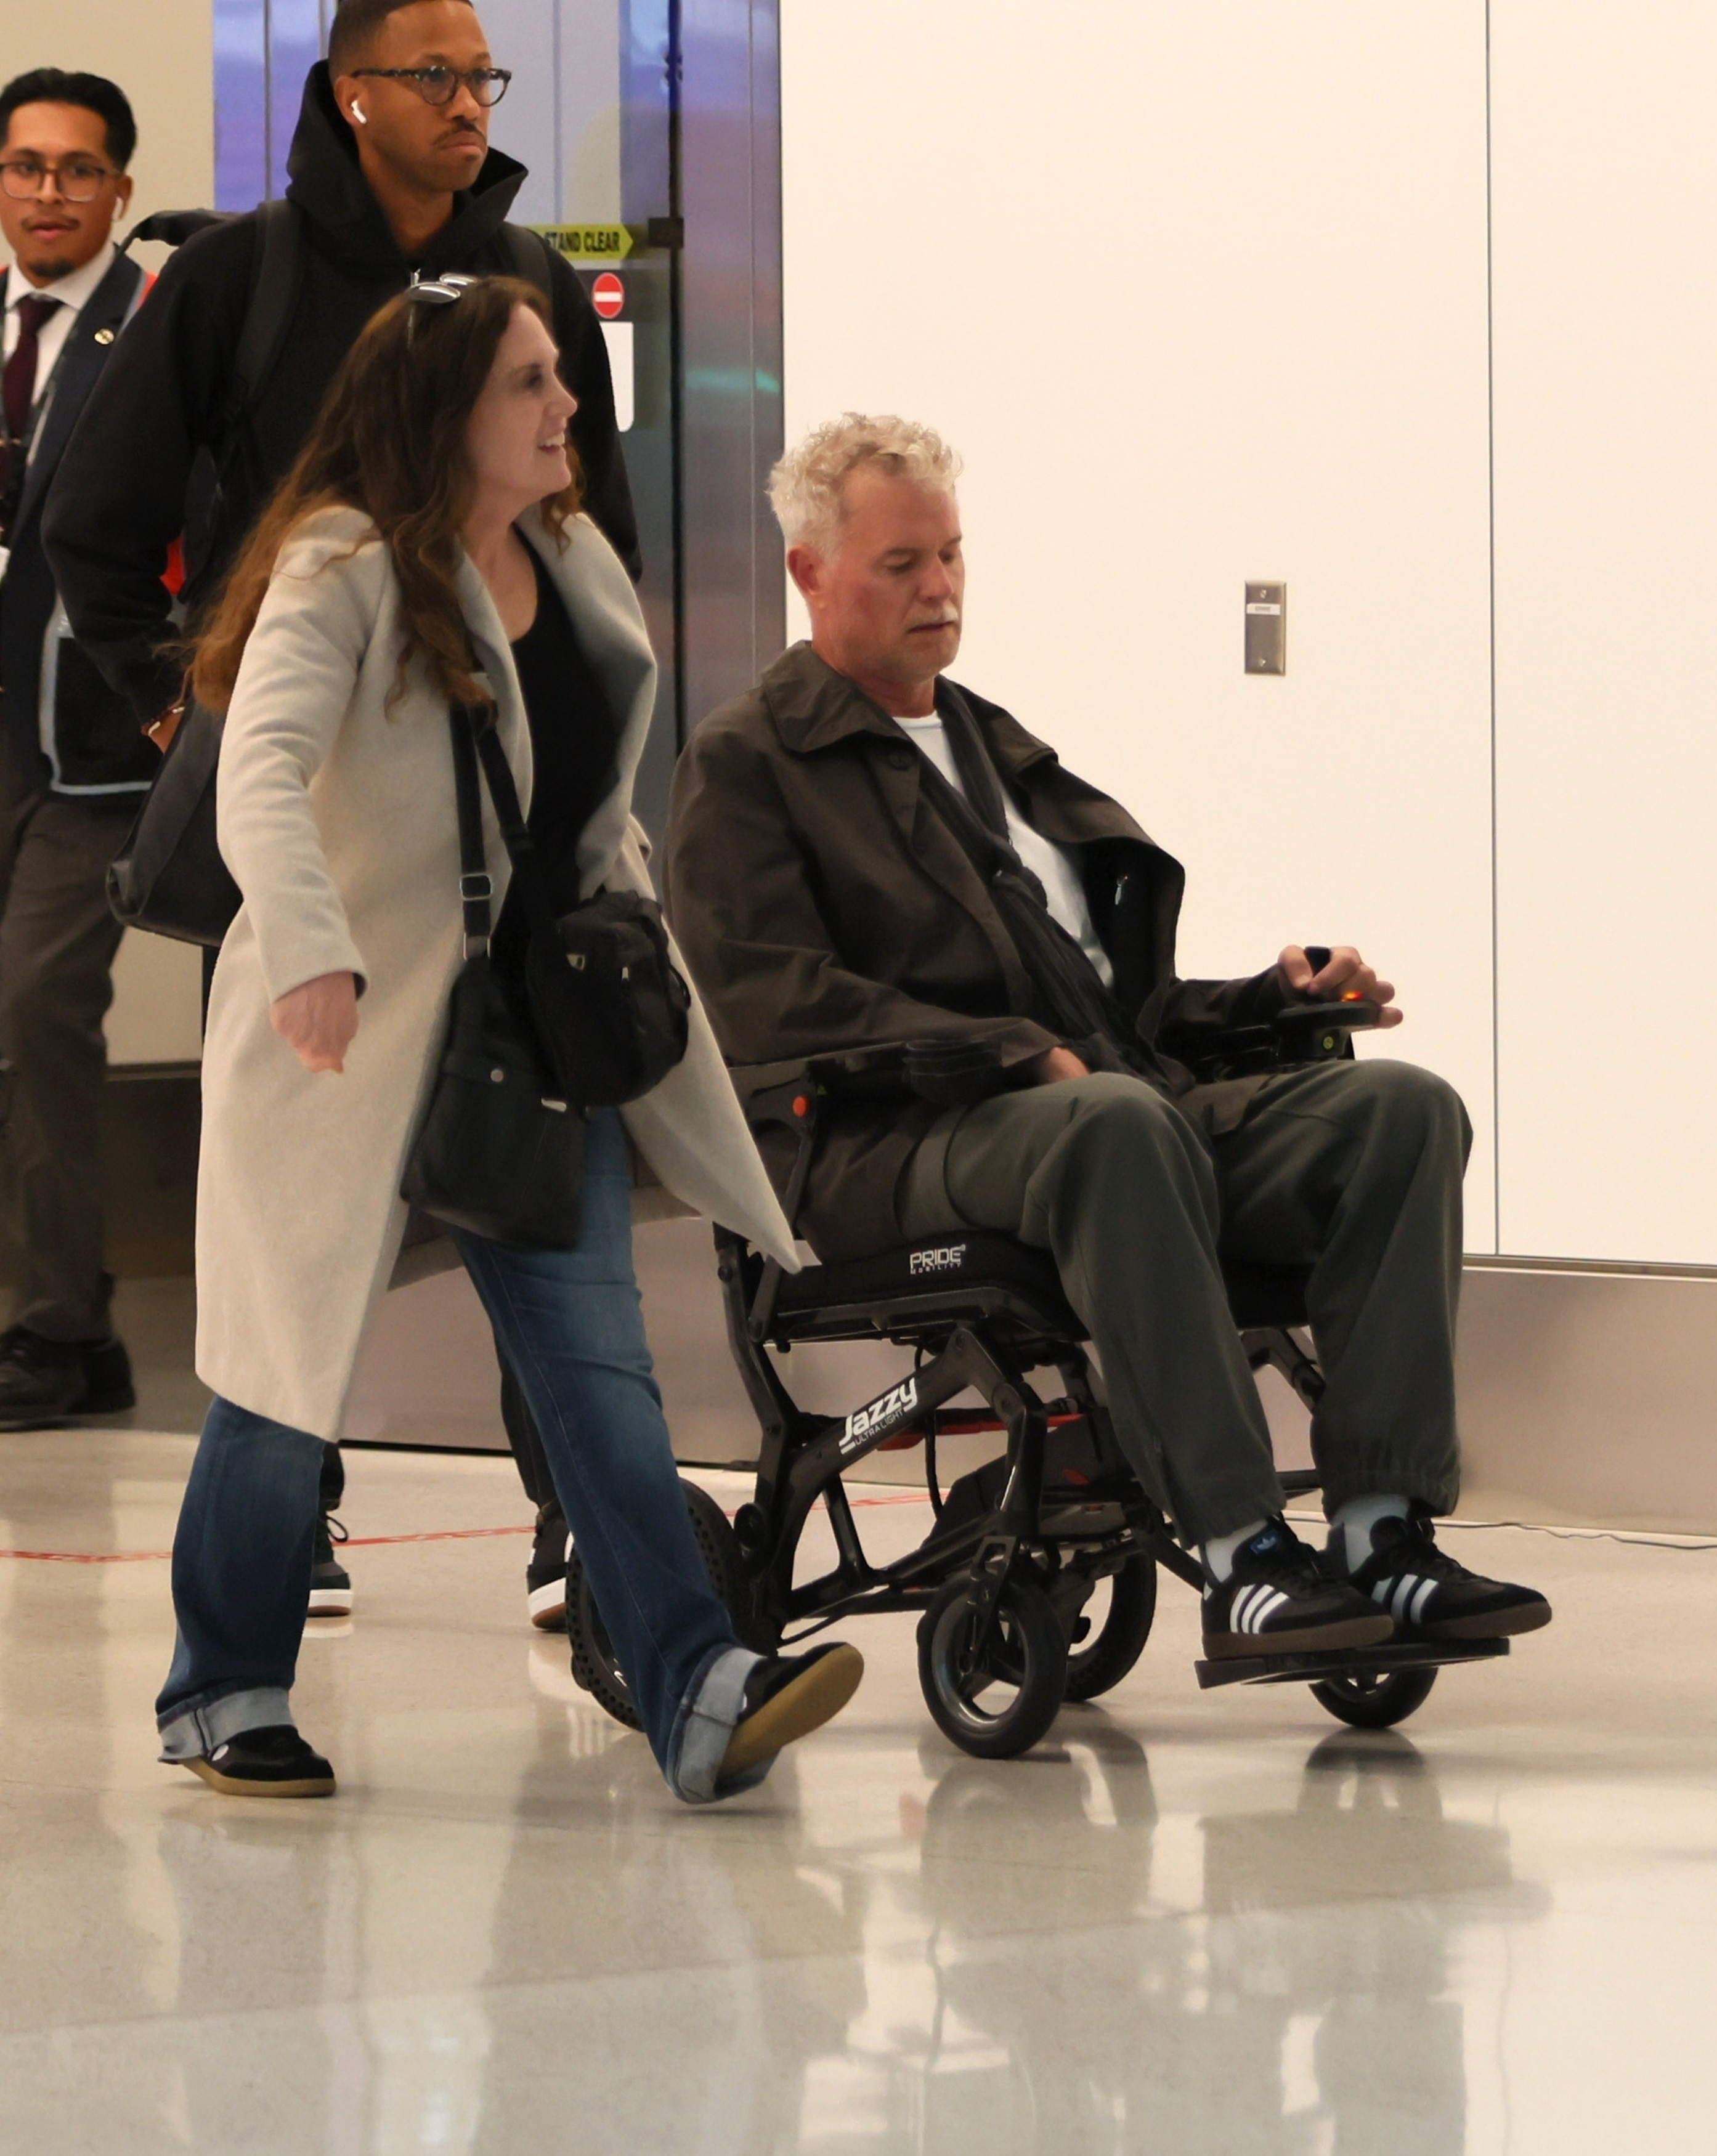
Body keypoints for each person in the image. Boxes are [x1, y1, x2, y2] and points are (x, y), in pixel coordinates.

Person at [665, 413, 1552, 1666]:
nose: (940, 589)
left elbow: (1102, 1017)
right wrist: (1009, 1053)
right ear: (810, 574)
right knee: (1112, 1121)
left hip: (1090, 1115)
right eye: (901, 563)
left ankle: (1378, 1529)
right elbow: (767, 1006)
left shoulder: (987, 748)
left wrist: (1264, 999)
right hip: (877, 1151)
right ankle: (1243, 1555)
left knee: (1401, 1111)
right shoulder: (747, 763)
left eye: (952, 556)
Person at [155, 275, 862, 1801]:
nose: (565, 409)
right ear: (446, 416)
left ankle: (693, 1686)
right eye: (531, 385)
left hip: (534, 1030)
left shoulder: (572, 555)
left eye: (559, 377)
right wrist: (312, 955)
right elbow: (260, 774)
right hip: (343, 1033)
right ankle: (222, 1684)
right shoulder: (341, 566)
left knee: (596, 1370)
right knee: (284, 1377)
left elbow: (588, 792)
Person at [44, 0, 637, 1611]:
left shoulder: (527, 285)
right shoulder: (236, 280)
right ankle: (284, 1503)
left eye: (481, 77)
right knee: (296, 1186)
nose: (467, 102)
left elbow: (605, 531)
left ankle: (574, 1518)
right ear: (348, 94)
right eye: (433, 76)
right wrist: (190, 702)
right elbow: (89, 529)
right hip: (306, 821)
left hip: (500, 825)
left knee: (536, 1143)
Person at [0, 69, 155, 1429]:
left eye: (75, 169)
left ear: (117, 187)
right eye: (26, 166)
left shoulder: (152, 324)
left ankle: (56, 1332)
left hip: (91, 745)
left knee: (38, 1011)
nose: (48, 192)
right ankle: (57, 1319)